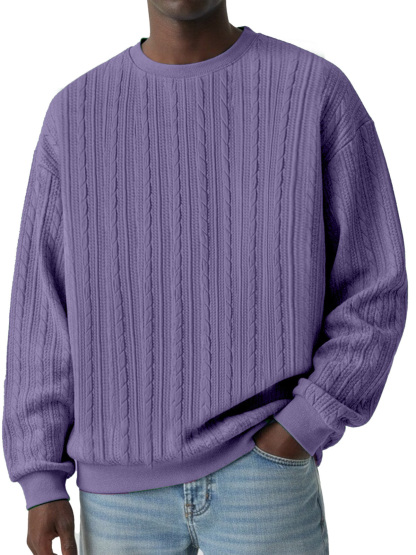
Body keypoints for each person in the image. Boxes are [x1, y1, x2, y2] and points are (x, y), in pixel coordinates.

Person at [2, 1, 408, 554]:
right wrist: (40, 478)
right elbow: (41, 313)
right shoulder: (74, 114)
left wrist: (305, 424)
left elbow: (375, 287)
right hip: (119, 499)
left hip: (263, 476)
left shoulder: (315, 91)